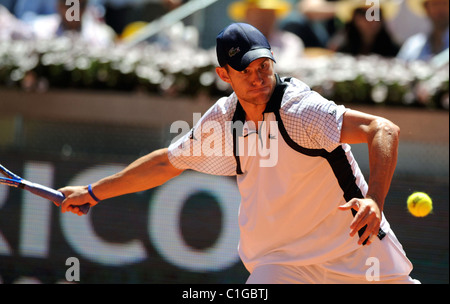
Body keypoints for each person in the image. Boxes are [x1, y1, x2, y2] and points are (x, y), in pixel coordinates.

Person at [58, 22, 419, 284]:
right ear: (223, 74)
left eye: (263, 65)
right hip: (280, 265)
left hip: (360, 259)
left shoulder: (301, 110)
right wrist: (93, 192)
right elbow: (167, 163)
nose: (258, 77)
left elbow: (382, 129)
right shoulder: (223, 118)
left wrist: (375, 200)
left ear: (273, 60)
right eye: (245, 70)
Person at [228, 0, 305, 69]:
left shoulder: (290, 42)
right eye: (257, 14)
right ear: (246, 16)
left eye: (267, 14)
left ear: (275, 16)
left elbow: (287, 70)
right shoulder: (231, 44)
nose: (262, 19)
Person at [28, 0, 116, 47]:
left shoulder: (101, 36)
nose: (75, 12)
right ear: (59, 5)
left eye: (80, 6)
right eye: (71, 5)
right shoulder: (40, 31)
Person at [328, 0, 400, 57]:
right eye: (364, 13)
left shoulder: (397, 52)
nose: (371, 19)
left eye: (376, 13)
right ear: (354, 17)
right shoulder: (339, 48)